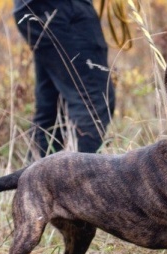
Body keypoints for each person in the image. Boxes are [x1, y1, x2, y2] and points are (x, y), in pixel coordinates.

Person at [13, 0, 115, 158]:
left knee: (53, 110)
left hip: (41, 7)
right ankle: (81, 180)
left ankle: (34, 180)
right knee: (93, 102)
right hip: (63, 9)